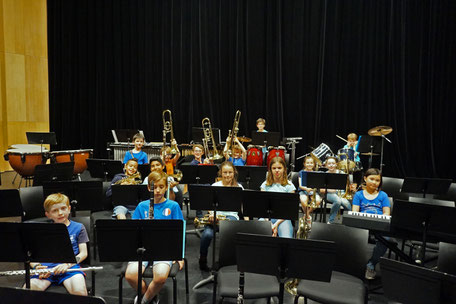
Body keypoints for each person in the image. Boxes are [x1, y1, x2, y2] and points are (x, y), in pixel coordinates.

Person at [125, 171, 184, 304]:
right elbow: (133, 231)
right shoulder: (142, 206)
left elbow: (179, 232)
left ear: (166, 187)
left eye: (161, 187)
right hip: (143, 248)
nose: (157, 190)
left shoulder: (173, 206)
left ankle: (144, 300)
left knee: (160, 277)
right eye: (154, 187)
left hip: (164, 248)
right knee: (130, 275)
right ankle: (151, 294)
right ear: (148, 188)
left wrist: (179, 254)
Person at [27, 193, 88, 295]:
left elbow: (83, 253)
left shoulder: (79, 227)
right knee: (26, 294)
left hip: (70, 268)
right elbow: (30, 256)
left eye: (63, 208)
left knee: (80, 294)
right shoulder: (41, 230)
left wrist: (68, 264)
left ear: (69, 209)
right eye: (55, 211)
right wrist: (37, 266)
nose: (60, 213)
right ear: (48, 215)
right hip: (46, 269)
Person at [198, 161, 243, 271]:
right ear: (220, 173)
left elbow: (241, 206)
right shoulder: (215, 186)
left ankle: (223, 261)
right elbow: (209, 204)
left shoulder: (239, 187)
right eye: (225, 172)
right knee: (207, 235)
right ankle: (202, 259)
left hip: (231, 217)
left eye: (230, 172)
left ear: (234, 173)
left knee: (226, 234)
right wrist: (212, 214)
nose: (227, 175)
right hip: (215, 216)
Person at [352, 168, 390, 280]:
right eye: (371, 179)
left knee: (386, 240)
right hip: (362, 223)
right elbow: (355, 212)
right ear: (365, 178)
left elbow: (386, 213)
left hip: (379, 224)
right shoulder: (359, 195)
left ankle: (371, 264)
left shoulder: (383, 195)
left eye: (377, 180)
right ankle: (354, 265)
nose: (374, 182)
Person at [260, 157, 295, 238]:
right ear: (270, 170)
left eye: (279, 168)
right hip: (266, 218)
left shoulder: (290, 186)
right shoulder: (264, 185)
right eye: (274, 168)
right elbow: (262, 208)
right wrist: (270, 224)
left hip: (283, 219)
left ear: (284, 169)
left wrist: (276, 224)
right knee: (258, 238)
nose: (277, 170)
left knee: (286, 239)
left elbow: (289, 210)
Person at [320, 156, 351, 224]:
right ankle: (330, 221)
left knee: (347, 205)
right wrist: (329, 190)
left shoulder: (341, 173)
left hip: (341, 194)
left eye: (333, 163)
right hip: (329, 194)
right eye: (329, 163)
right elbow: (321, 190)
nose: (331, 165)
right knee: (337, 201)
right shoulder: (325, 174)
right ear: (326, 165)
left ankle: (348, 222)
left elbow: (346, 186)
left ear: (336, 164)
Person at [298, 156, 322, 228]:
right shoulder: (301, 172)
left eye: (311, 163)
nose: (309, 164)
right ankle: (308, 217)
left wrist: (312, 189)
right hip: (303, 190)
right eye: (307, 163)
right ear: (304, 164)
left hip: (312, 191)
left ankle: (306, 215)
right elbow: (300, 186)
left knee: (317, 201)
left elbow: (317, 185)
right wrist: (306, 189)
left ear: (314, 164)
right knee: (303, 202)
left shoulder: (315, 173)